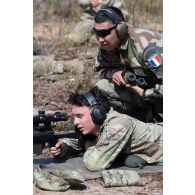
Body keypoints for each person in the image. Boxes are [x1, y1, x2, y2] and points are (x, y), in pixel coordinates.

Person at [50, 86, 163, 172]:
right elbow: (85, 141)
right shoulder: (99, 125)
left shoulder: (117, 125)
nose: (75, 122)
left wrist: (89, 146)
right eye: (74, 117)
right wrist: (64, 147)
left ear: (97, 113)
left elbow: (94, 164)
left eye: (80, 116)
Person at [92, 6, 163, 123]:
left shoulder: (147, 47)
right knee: (101, 87)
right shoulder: (107, 45)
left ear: (121, 29)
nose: (100, 39)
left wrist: (144, 93)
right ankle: (140, 119)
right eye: (97, 33)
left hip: (158, 96)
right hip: (142, 96)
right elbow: (99, 68)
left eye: (104, 33)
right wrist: (114, 73)